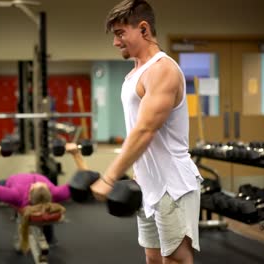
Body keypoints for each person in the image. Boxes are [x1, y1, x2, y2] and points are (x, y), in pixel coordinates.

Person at [91, 1, 203, 263]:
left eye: (120, 34)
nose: (116, 43)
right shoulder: (134, 75)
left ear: (143, 29)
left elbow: (145, 131)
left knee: (175, 259)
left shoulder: (162, 70)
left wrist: (109, 177)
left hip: (171, 183)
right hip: (148, 184)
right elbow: (136, 131)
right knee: (152, 257)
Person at [0, 142, 88, 254]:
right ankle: (50, 239)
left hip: (11, 185)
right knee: (45, 208)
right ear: (49, 193)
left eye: (36, 184)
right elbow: (85, 177)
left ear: (30, 191)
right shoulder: (55, 193)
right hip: (38, 202)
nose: (36, 182)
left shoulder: (15, 195)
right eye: (43, 184)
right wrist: (76, 154)